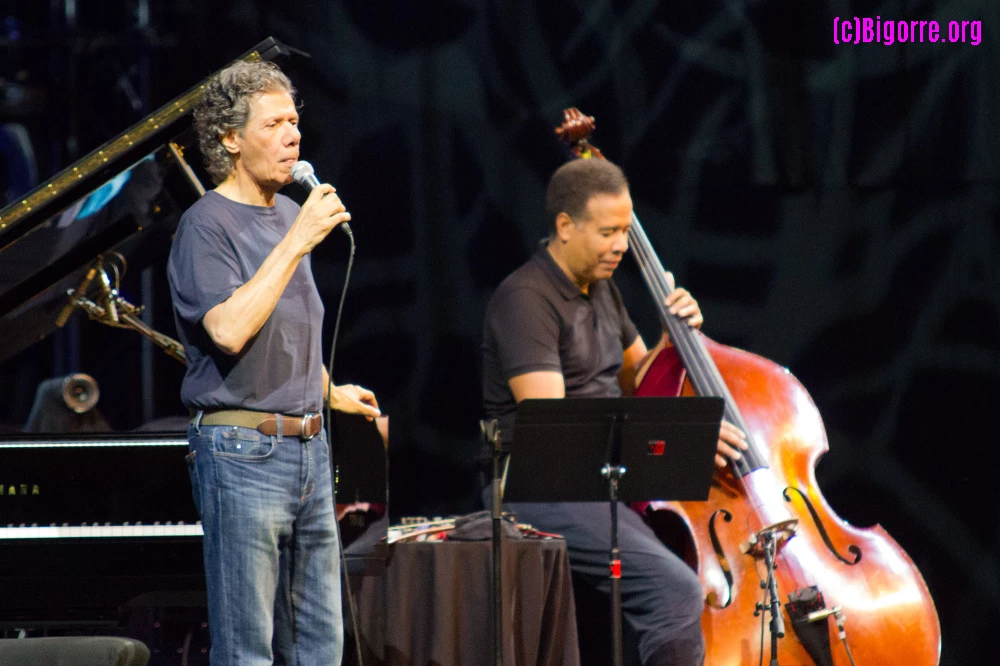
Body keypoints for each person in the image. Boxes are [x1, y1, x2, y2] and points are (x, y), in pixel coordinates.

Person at [482, 158, 748, 665]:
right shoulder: (525, 299)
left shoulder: (603, 291)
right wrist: (683, 439)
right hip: (540, 485)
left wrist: (675, 341)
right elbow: (557, 431)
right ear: (565, 227)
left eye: (626, 230)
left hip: (601, 477)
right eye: (608, 232)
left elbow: (638, 380)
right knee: (676, 590)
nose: (622, 245)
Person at [167, 60, 380, 666]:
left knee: (320, 646)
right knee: (248, 650)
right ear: (230, 138)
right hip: (243, 454)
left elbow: (286, 323)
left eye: (295, 121)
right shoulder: (205, 226)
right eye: (274, 124)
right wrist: (296, 243)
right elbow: (231, 330)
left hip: (309, 449)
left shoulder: (289, 215)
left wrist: (329, 390)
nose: (294, 136)